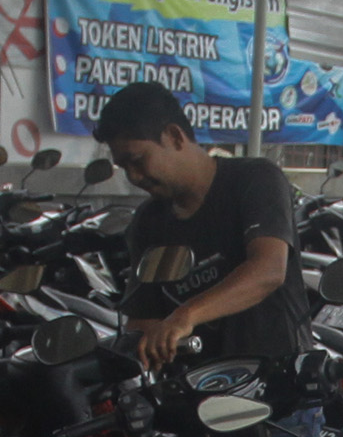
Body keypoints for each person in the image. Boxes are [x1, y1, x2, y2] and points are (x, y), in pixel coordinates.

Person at [93, 81, 309, 373]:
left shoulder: (255, 180)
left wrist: (186, 316)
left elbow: (268, 270)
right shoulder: (149, 222)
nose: (134, 176)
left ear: (174, 136)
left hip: (278, 388)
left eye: (138, 161)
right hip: (198, 395)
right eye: (124, 167)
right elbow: (144, 315)